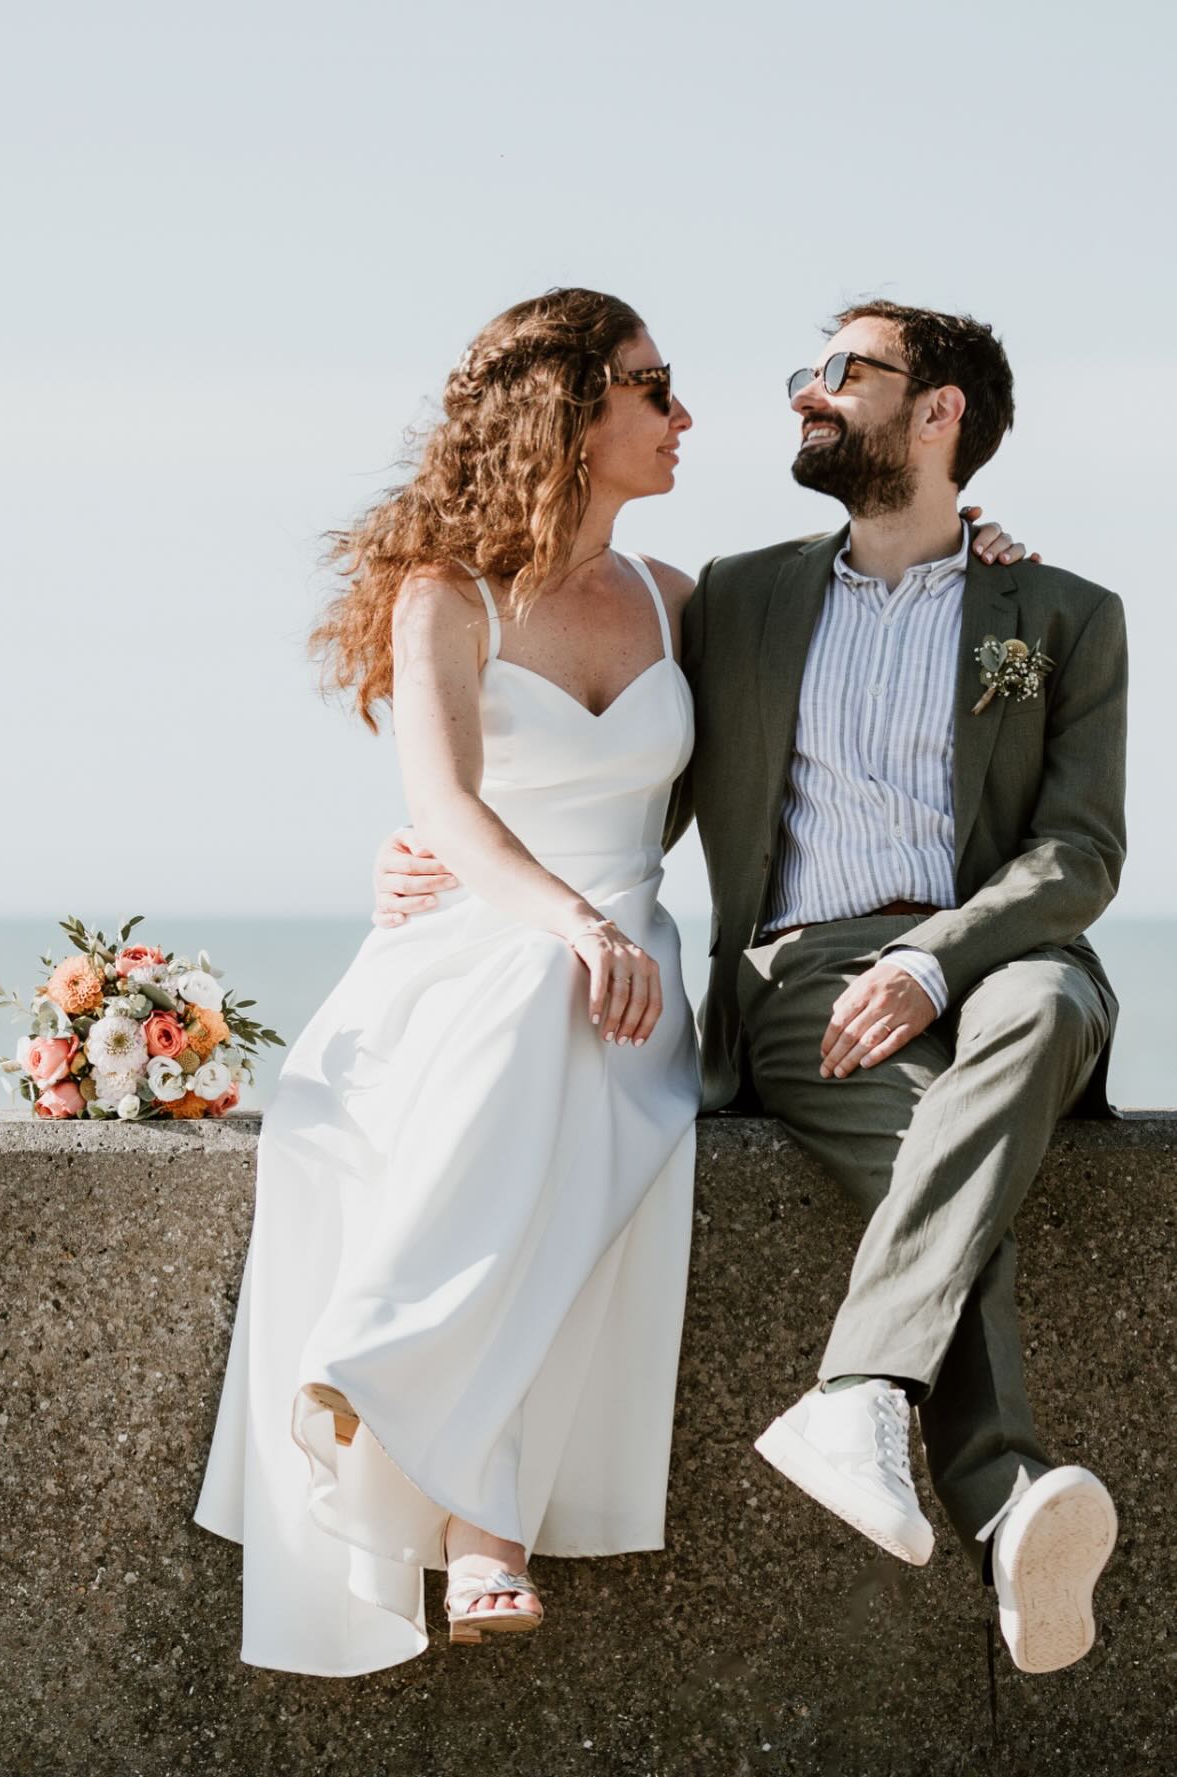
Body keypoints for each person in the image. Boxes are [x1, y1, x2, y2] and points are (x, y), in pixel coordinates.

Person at [376, 298, 1121, 1677]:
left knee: (1044, 1008)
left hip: (1002, 957)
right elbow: (623, 775)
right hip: (803, 972)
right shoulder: (735, 599)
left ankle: (860, 1393)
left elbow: (1079, 851)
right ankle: (1006, 1496)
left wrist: (933, 959)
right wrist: (459, 859)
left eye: (841, 371)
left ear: (938, 412)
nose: (802, 393)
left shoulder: (1061, 612)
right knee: (932, 1156)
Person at [194, 286, 707, 1674]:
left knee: (559, 1012)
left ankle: (381, 1371)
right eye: (653, 387)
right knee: (531, 1004)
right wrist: (566, 921)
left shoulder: (680, 603)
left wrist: (985, 552)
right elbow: (449, 807)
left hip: (624, 954)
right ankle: (481, 1521)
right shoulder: (445, 594)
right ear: (570, 411)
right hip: (483, 937)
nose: (682, 416)